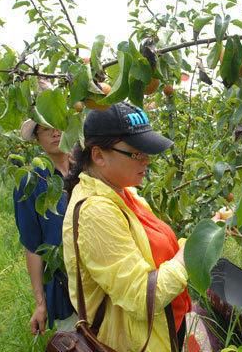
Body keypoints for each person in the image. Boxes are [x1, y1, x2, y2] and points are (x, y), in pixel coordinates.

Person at [63, 102, 191, 351]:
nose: (146, 161)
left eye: (147, 152)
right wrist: (192, 251)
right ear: (98, 155)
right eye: (136, 153)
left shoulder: (124, 193)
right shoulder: (96, 212)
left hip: (161, 333)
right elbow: (143, 297)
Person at [13, 119, 77, 335]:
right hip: (64, 286)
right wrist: (40, 302)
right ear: (37, 138)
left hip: (102, 279)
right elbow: (33, 245)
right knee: (76, 342)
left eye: (59, 124)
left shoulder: (87, 168)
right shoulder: (31, 181)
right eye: (46, 129)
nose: (55, 132)